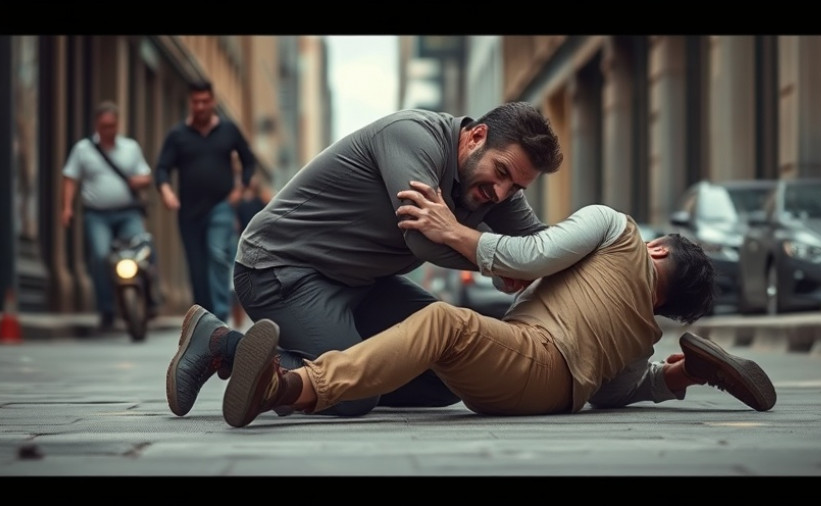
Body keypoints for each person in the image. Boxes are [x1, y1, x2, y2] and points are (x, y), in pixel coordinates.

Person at [216, 182, 776, 428]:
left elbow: (533, 250)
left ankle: (286, 388)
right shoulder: (642, 336)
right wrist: (668, 380)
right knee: (425, 349)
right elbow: (612, 392)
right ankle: (224, 350)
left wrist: (452, 229)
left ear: (655, 247)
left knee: (439, 320)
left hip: (530, 360)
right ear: (667, 305)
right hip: (545, 394)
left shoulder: (617, 229)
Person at [165, 101, 564, 419]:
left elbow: (538, 245)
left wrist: (599, 246)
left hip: (360, 285)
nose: (501, 191)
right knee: (355, 397)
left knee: (452, 373)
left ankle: (323, 369)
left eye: (515, 187)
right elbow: (423, 242)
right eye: (501, 173)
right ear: (477, 136)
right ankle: (220, 341)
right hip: (280, 270)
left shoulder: (493, 186)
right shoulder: (414, 137)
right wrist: (502, 261)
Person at [155, 80, 256, 323]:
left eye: (205, 101)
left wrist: (240, 189)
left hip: (221, 206)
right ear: (190, 103)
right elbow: (162, 169)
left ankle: (220, 316)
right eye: (195, 102)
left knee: (217, 254)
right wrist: (166, 191)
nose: (200, 106)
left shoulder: (229, 130)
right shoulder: (178, 135)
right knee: (197, 268)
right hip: (189, 211)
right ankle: (206, 318)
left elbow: (249, 161)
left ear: (213, 102)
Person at [61, 101, 156, 332]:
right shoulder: (83, 149)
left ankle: (151, 298)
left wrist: (139, 180)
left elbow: (146, 175)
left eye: (112, 125)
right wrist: (67, 207)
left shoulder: (130, 147)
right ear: (96, 125)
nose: (108, 130)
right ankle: (107, 309)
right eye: (104, 126)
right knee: (101, 256)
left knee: (143, 250)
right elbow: (70, 178)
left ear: (118, 124)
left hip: (127, 213)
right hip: (97, 216)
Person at [230, 174, 273, 328]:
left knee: (255, 279)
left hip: (257, 243)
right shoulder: (240, 202)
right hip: (242, 242)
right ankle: (238, 319)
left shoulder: (260, 200)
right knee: (239, 280)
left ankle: (258, 318)